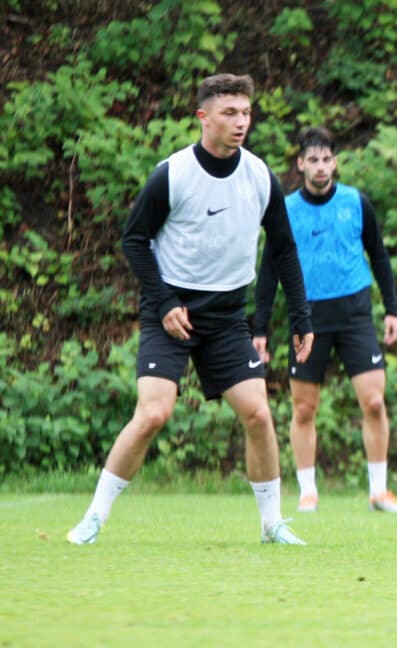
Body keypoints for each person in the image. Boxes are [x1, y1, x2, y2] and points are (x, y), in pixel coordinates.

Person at [66, 73, 315, 546]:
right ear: (204, 117)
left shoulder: (260, 176)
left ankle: (272, 524)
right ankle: (94, 517)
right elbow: (134, 240)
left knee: (259, 415)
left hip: (226, 316)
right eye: (229, 113)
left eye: (245, 112)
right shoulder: (173, 174)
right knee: (154, 413)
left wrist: (301, 317)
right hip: (172, 310)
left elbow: (283, 249)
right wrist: (163, 303)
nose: (241, 122)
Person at [252, 127, 397, 514]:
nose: (320, 167)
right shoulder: (285, 210)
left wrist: (391, 308)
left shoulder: (356, 202)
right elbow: (269, 270)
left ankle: (379, 492)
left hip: (355, 314)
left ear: (335, 162)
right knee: (304, 410)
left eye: (327, 159)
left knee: (373, 401)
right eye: (313, 160)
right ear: (301, 164)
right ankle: (308, 493)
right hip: (308, 319)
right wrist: (260, 328)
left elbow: (379, 256)